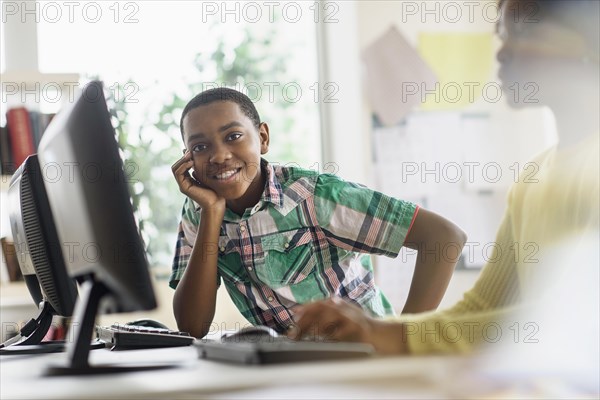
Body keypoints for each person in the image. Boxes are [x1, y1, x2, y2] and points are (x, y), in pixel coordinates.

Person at [288, 0, 600, 354]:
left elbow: (577, 315)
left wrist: (388, 336)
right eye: (504, 37)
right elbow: (481, 311)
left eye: (526, 34)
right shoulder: (533, 178)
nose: (502, 54)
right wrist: (369, 330)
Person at [170, 88, 467, 338]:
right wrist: (211, 213)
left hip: (365, 357)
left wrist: (404, 338)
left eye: (233, 136)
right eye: (200, 146)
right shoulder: (199, 210)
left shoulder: (315, 196)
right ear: (187, 158)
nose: (219, 155)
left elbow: (443, 237)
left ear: (262, 138)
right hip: (295, 368)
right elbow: (192, 327)